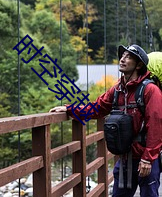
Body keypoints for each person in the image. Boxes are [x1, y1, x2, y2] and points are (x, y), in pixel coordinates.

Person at [50, 44, 162, 197]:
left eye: (128, 57)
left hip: (145, 157)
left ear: (139, 65)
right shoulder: (117, 90)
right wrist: (70, 109)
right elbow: (97, 108)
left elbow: (156, 125)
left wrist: (148, 159)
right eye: (122, 56)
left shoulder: (150, 90)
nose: (122, 59)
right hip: (125, 157)